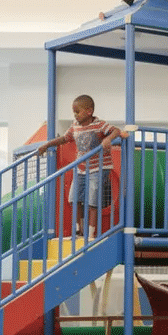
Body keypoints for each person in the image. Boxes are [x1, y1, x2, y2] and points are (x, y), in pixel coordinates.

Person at [34, 95, 124, 240]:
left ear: (89, 111)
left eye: (77, 111)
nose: (75, 115)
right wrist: (47, 144)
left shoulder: (99, 124)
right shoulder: (75, 125)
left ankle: (90, 233)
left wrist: (108, 138)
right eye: (73, 112)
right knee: (73, 198)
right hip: (81, 168)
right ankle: (78, 231)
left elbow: (116, 131)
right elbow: (64, 138)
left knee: (92, 201)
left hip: (98, 167)